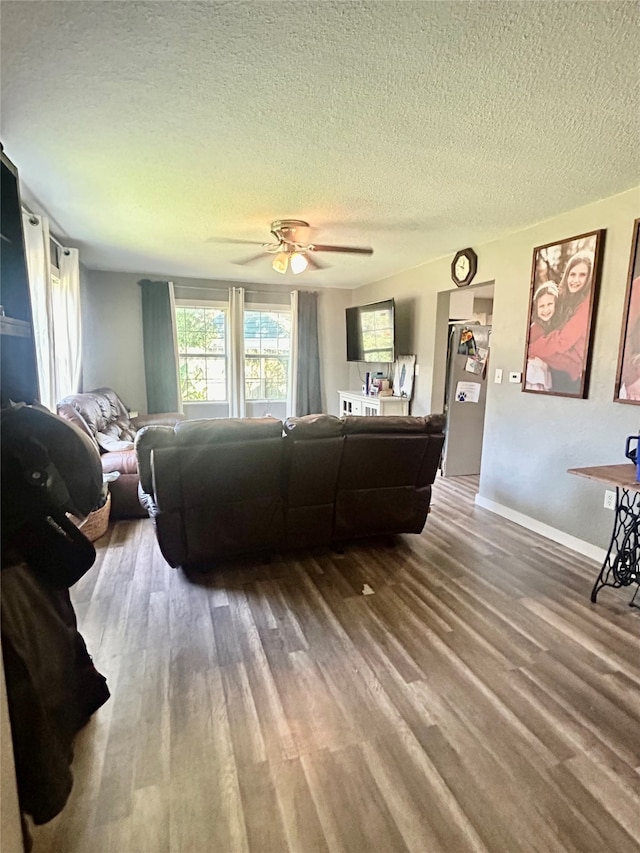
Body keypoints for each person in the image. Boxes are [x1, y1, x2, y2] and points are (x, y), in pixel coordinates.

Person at [527, 250, 595, 394]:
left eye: (582, 275)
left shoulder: (587, 303)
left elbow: (562, 340)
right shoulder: (565, 299)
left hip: (571, 372)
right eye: (572, 274)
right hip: (558, 368)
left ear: (590, 277)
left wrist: (530, 348)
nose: (576, 280)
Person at [525, 282, 558, 390]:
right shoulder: (535, 328)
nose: (546, 310)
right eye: (541, 306)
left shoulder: (555, 326)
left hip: (544, 372)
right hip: (535, 373)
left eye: (550, 304)